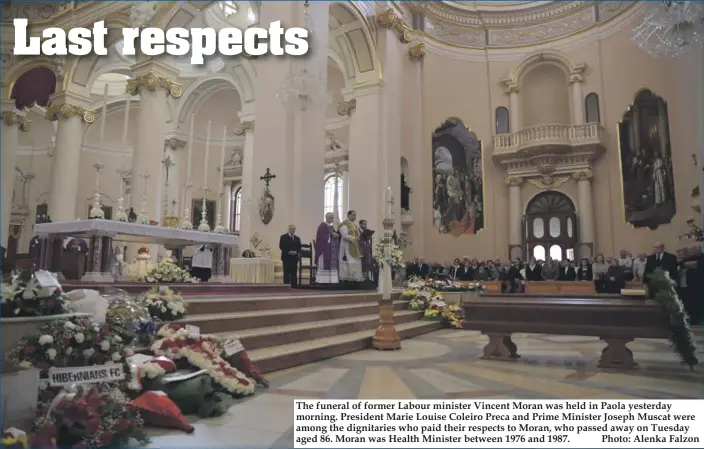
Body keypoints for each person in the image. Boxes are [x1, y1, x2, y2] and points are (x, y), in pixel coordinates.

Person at [338, 210, 364, 282]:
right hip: (347, 245)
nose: (354, 216)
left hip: (356, 246)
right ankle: (349, 278)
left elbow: (358, 234)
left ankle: (357, 277)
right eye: (353, 215)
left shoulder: (355, 225)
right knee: (350, 260)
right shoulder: (344, 225)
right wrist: (354, 238)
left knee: (357, 260)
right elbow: (344, 235)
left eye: (355, 215)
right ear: (348, 215)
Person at [315, 212, 340, 284]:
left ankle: (332, 280)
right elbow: (321, 237)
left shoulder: (331, 227)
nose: (332, 219)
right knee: (324, 264)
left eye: (332, 218)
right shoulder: (322, 226)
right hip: (325, 249)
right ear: (326, 217)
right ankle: (323, 281)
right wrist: (331, 235)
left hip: (332, 250)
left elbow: (334, 235)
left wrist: (336, 235)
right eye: (330, 217)